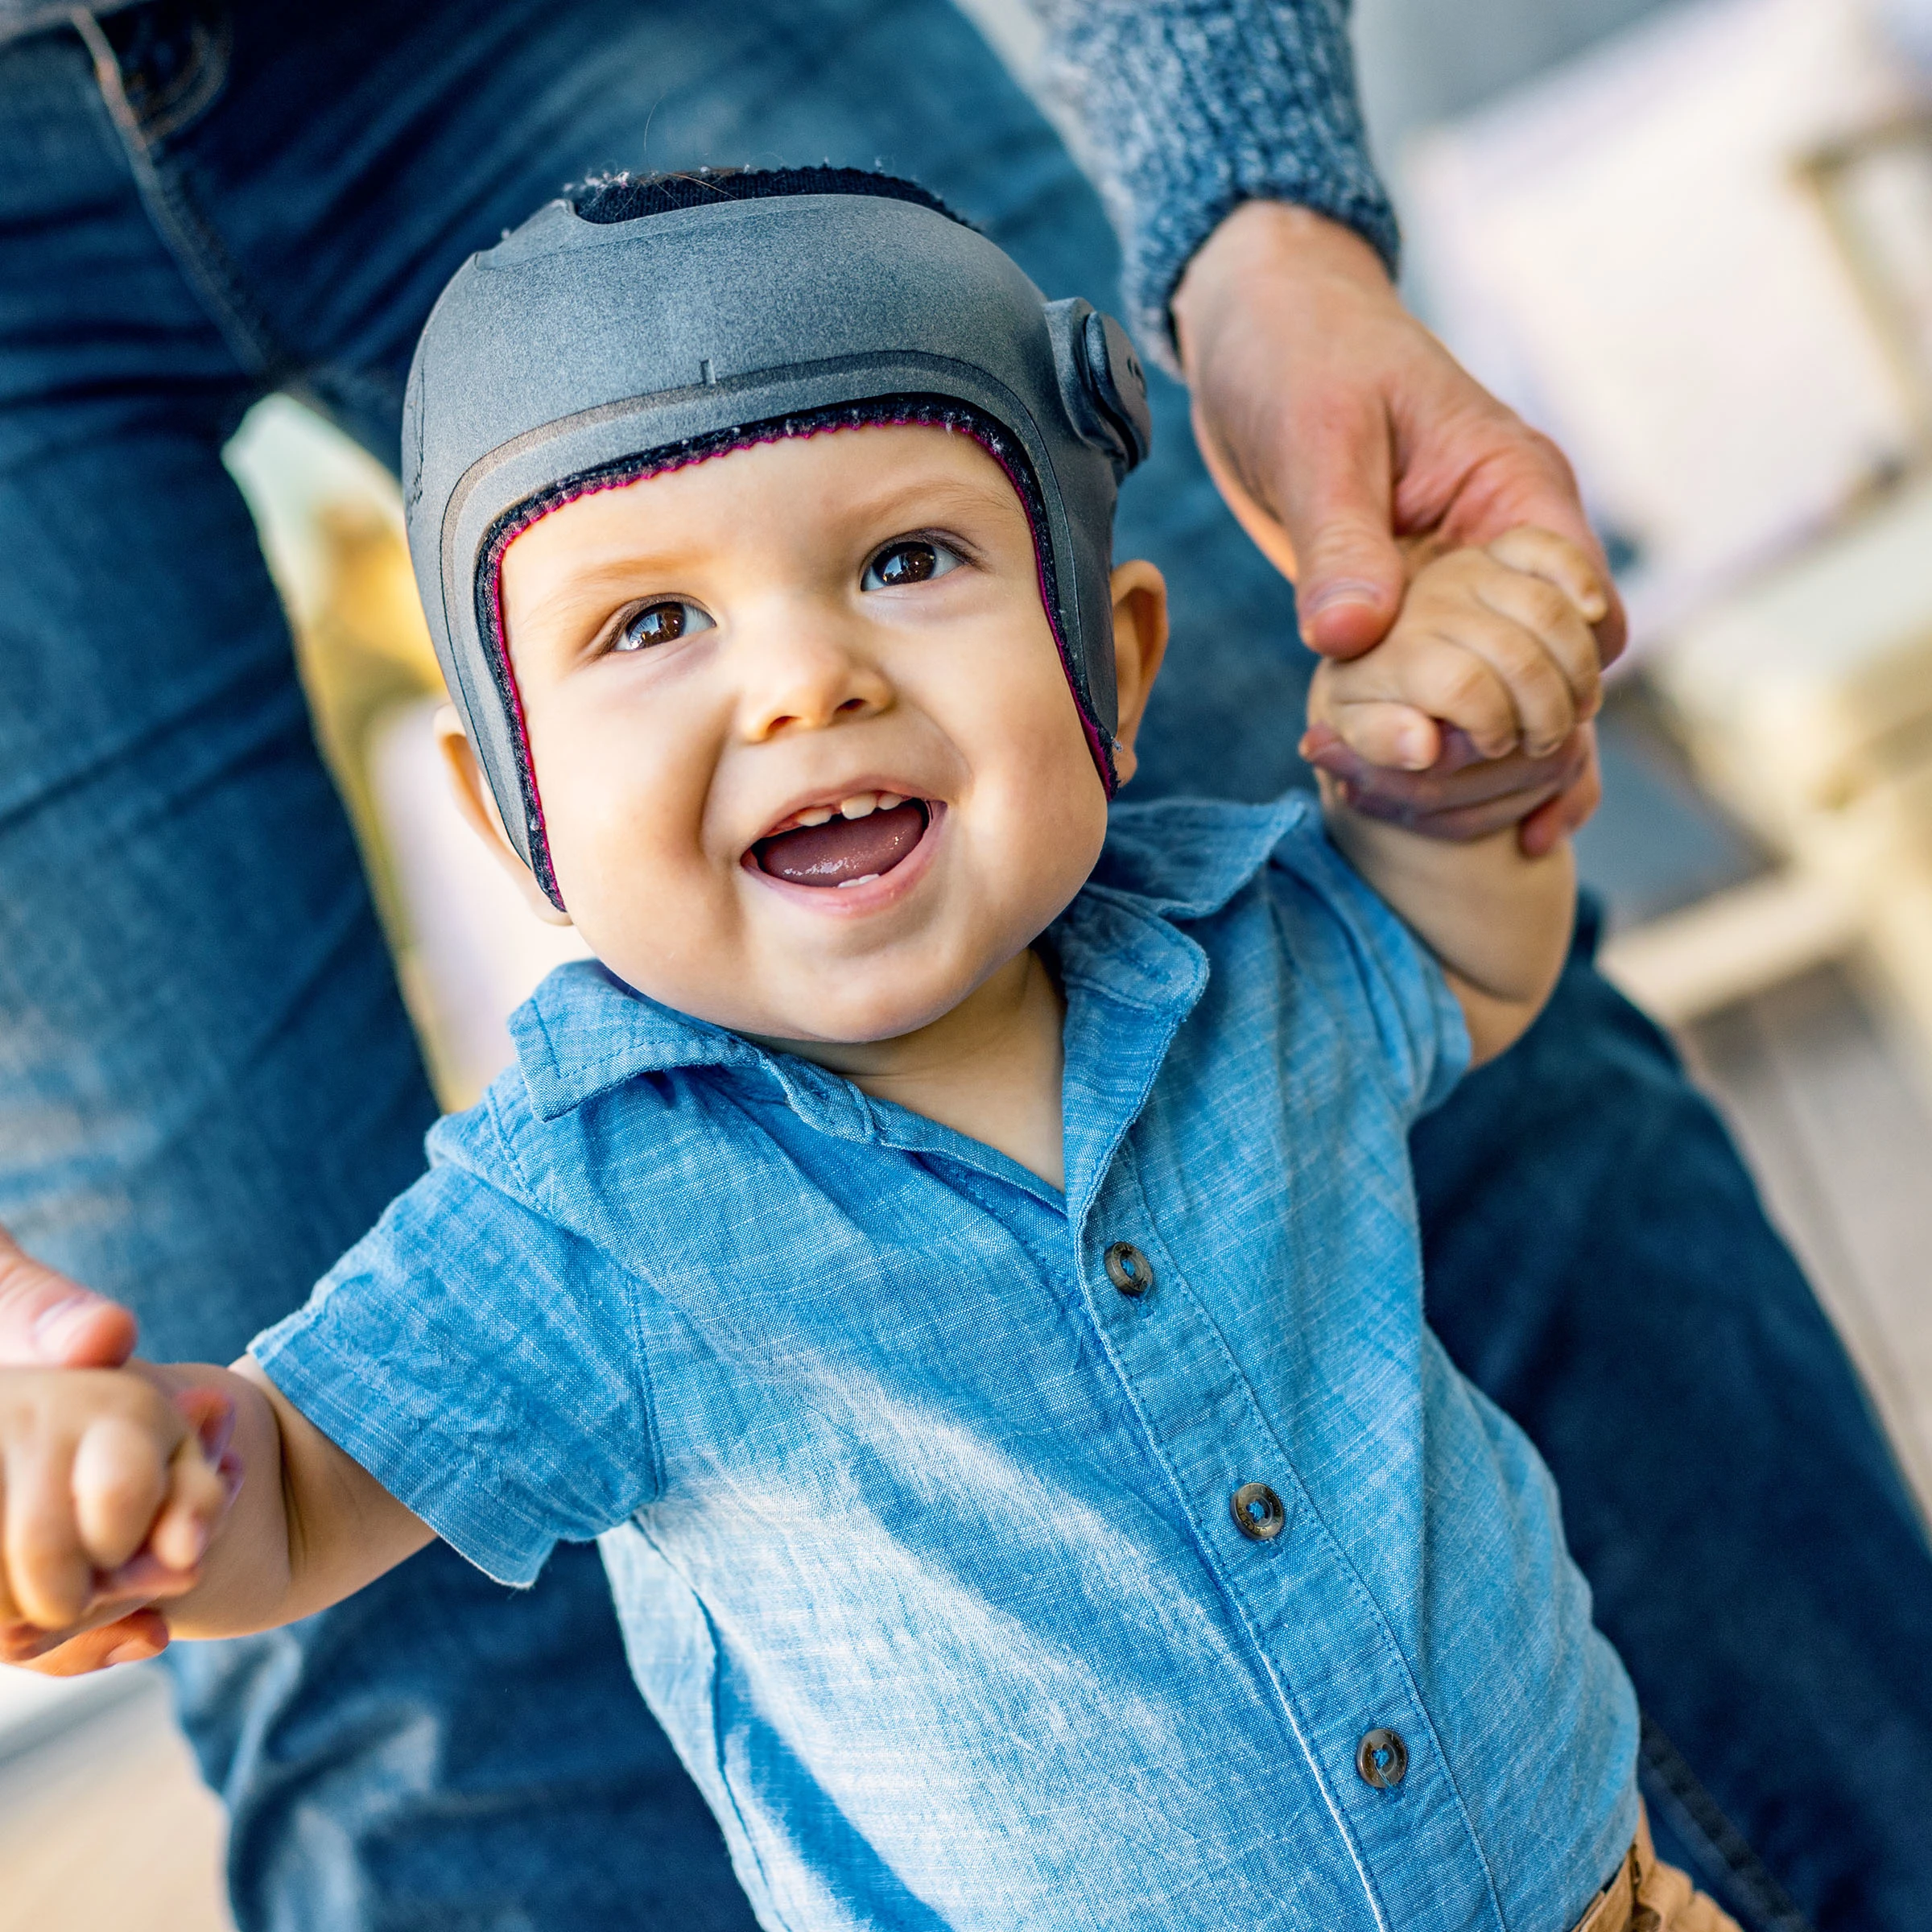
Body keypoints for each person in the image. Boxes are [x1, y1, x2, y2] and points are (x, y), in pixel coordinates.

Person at [0, 3, 1924, 1930]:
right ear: (517, 823)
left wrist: (1471, 775)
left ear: (1118, 667)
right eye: (654, 619)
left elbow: (1465, 971)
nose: (806, 676)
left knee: (1540, 1153)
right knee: (394, 1697)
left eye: (908, 562)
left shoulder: (1239, 946)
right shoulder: (577, 1219)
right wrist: (144, 1476)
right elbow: (311, 1489)